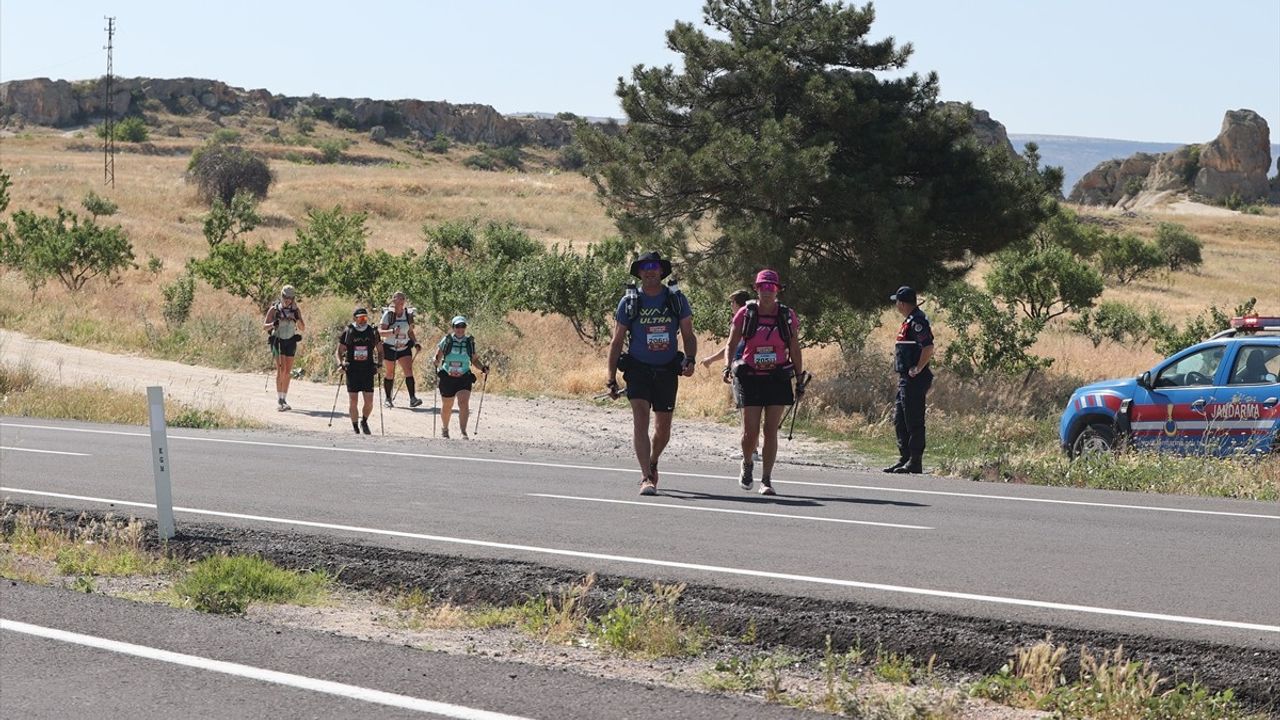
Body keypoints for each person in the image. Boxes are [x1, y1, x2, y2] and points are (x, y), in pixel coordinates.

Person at [606, 251, 697, 496]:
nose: (649, 271)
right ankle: (646, 476)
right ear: (639, 272)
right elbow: (616, 341)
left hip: (667, 369)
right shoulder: (629, 302)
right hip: (638, 368)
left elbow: (688, 335)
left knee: (663, 428)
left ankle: (654, 460)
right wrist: (610, 377)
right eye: (645, 267)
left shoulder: (676, 300)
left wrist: (690, 360)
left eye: (654, 266)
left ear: (661, 271)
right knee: (640, 421)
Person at [723, 269, 802, 495]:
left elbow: (794, 349)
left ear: (777, 290)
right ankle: (748, 463)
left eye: (771, 288)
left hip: (777, 377)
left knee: (771, 430)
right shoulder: (745, 314)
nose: (767, 292)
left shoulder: (787, 315)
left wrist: (799, 378)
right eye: (762, 287)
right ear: (756, 289)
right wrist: (728, 366)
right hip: (750, 378)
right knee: (751, 432)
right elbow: (731, 343)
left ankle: (766, 479)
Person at [884, 285, 934, 474]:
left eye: (897, 301)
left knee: (913, 419)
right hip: (905, 378)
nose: (896, 305)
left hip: (914, 379)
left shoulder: (917, 321)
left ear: (903, 303)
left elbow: (928, 347)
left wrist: (918, 368)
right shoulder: (909, 320)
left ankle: (915, 461)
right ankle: (904, 457)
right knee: (900, 419)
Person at [434, 315, 489, 439]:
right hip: (447, 376)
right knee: (447, 405)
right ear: (453, 327)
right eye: (457, 326)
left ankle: (463, 431)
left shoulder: (469, 342)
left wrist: (482, 368)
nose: (460, 329)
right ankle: (445, 429)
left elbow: (474, 360)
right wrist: (435, 361)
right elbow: (438, 355)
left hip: (464, 376)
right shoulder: (447, 340)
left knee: (463, 402)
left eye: (462, 326)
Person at [336, 306, 381, 434]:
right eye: (360, 318)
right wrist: (340, 364)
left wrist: (380, 364)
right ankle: (355, 427)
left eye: (365, 317)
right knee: (353, 400)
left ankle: (364, 421)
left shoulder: (372, 331)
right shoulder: (348, 331)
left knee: (369, 401)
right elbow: (339, 351)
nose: (363, 320)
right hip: (353, 370)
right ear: (355, 318)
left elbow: (380, 350)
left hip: (367, 369)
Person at [263, 285, 305, 411]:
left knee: (287, 371)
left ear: (293, 298)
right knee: (281, 370)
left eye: (290, 298)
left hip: (290, 341)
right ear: (281, 296)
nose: (287, 300)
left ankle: (284, 399)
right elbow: (264, 327)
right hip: (278, 340)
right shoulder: (274, 309)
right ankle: (280, 400)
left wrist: (297, 319)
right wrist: (273, 324)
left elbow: (302, 328)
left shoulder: (296, 310)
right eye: (285, 297)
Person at [379, 291, 423, 408]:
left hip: (404, 347)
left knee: (408, 370)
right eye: (398, 298)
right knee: (390, 373)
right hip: (390, 347)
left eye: (403, 298)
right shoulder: (388, 315)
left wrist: (415, 342)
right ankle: (388, 399)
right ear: (393, 300)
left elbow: (410, 331)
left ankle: (413, 398)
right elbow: (380, 332)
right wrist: (392, 332)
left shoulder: (408, 315)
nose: (401, 301)